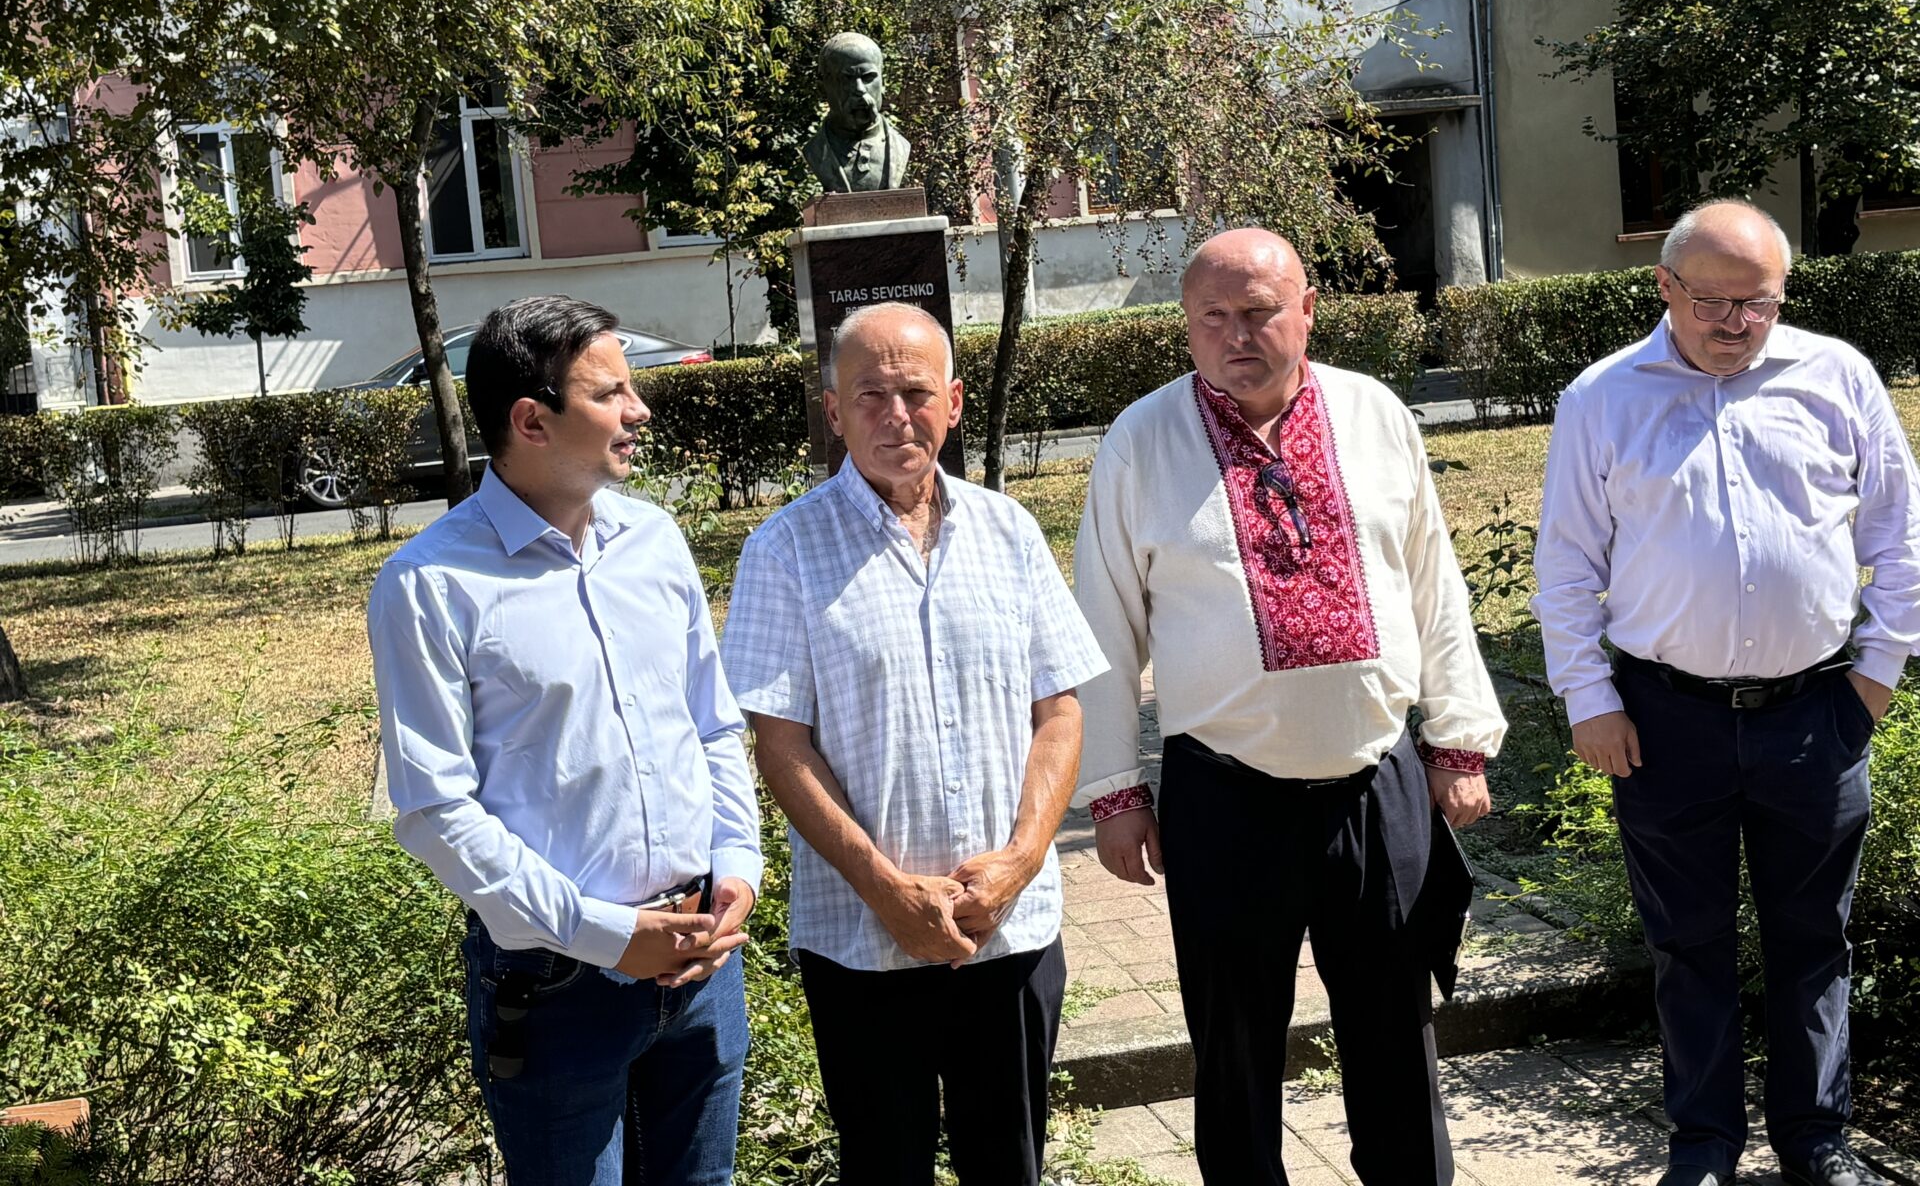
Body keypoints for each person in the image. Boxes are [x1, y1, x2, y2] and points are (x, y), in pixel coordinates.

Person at [1072, 227, 1507, 1186]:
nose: (1237, 335)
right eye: (1212, 317)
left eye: (1260, 312)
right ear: (1186, 325)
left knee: (1397, 1037)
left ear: (1307, 310)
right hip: (1226, 797)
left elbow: (1432, 583)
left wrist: (1458, 741)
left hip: (1378, 782)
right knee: (1234, 1050)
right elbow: (1103, 625)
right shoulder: (1143, 441)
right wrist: (1114, 793)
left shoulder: (1374, 412)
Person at [1533, 200, 1919, 1186]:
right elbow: (1568, 564)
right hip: (1664, 721)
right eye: (1713, 302)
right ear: (1665, 287)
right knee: (1687, 945)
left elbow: (1900, 536)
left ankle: (1816, 1143)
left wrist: (1875, 677)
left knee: (1814, 940)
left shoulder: (1837, 377)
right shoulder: (1602, 399)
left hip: (1816, 717)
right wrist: (1589, 699)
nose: (1738, 323)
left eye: (1760, 303)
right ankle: (1703, 1148)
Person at [367, 295, 762, 1186]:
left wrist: (738, 863)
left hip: (703, 957)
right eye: (611, 393)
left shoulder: (653, 540)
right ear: (531, 420)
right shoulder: (429, 584)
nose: (639, 409)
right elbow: (434, 809)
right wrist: (606, 935)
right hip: (554, 984)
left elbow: (711, 722)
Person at [723, 301, 1107, 1186]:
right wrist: (885, 889)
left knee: (1010, 1167)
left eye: (916, 393)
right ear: (833, 412)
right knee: (884, 1169)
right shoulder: (783, 551)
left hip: (1007, 930)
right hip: (864, 939)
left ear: (955, 402)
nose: (895, 415)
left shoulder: (1008, 532)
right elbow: (780, 745)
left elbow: (1059, 710)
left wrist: (1022, 859)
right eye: (870, 395)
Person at [801, 31, 912, 193]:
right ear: (823, 89)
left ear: (883, 82)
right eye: (846, 79)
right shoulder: (815, 152)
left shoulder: (901, 148)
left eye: (868, 77)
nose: (860, 89)